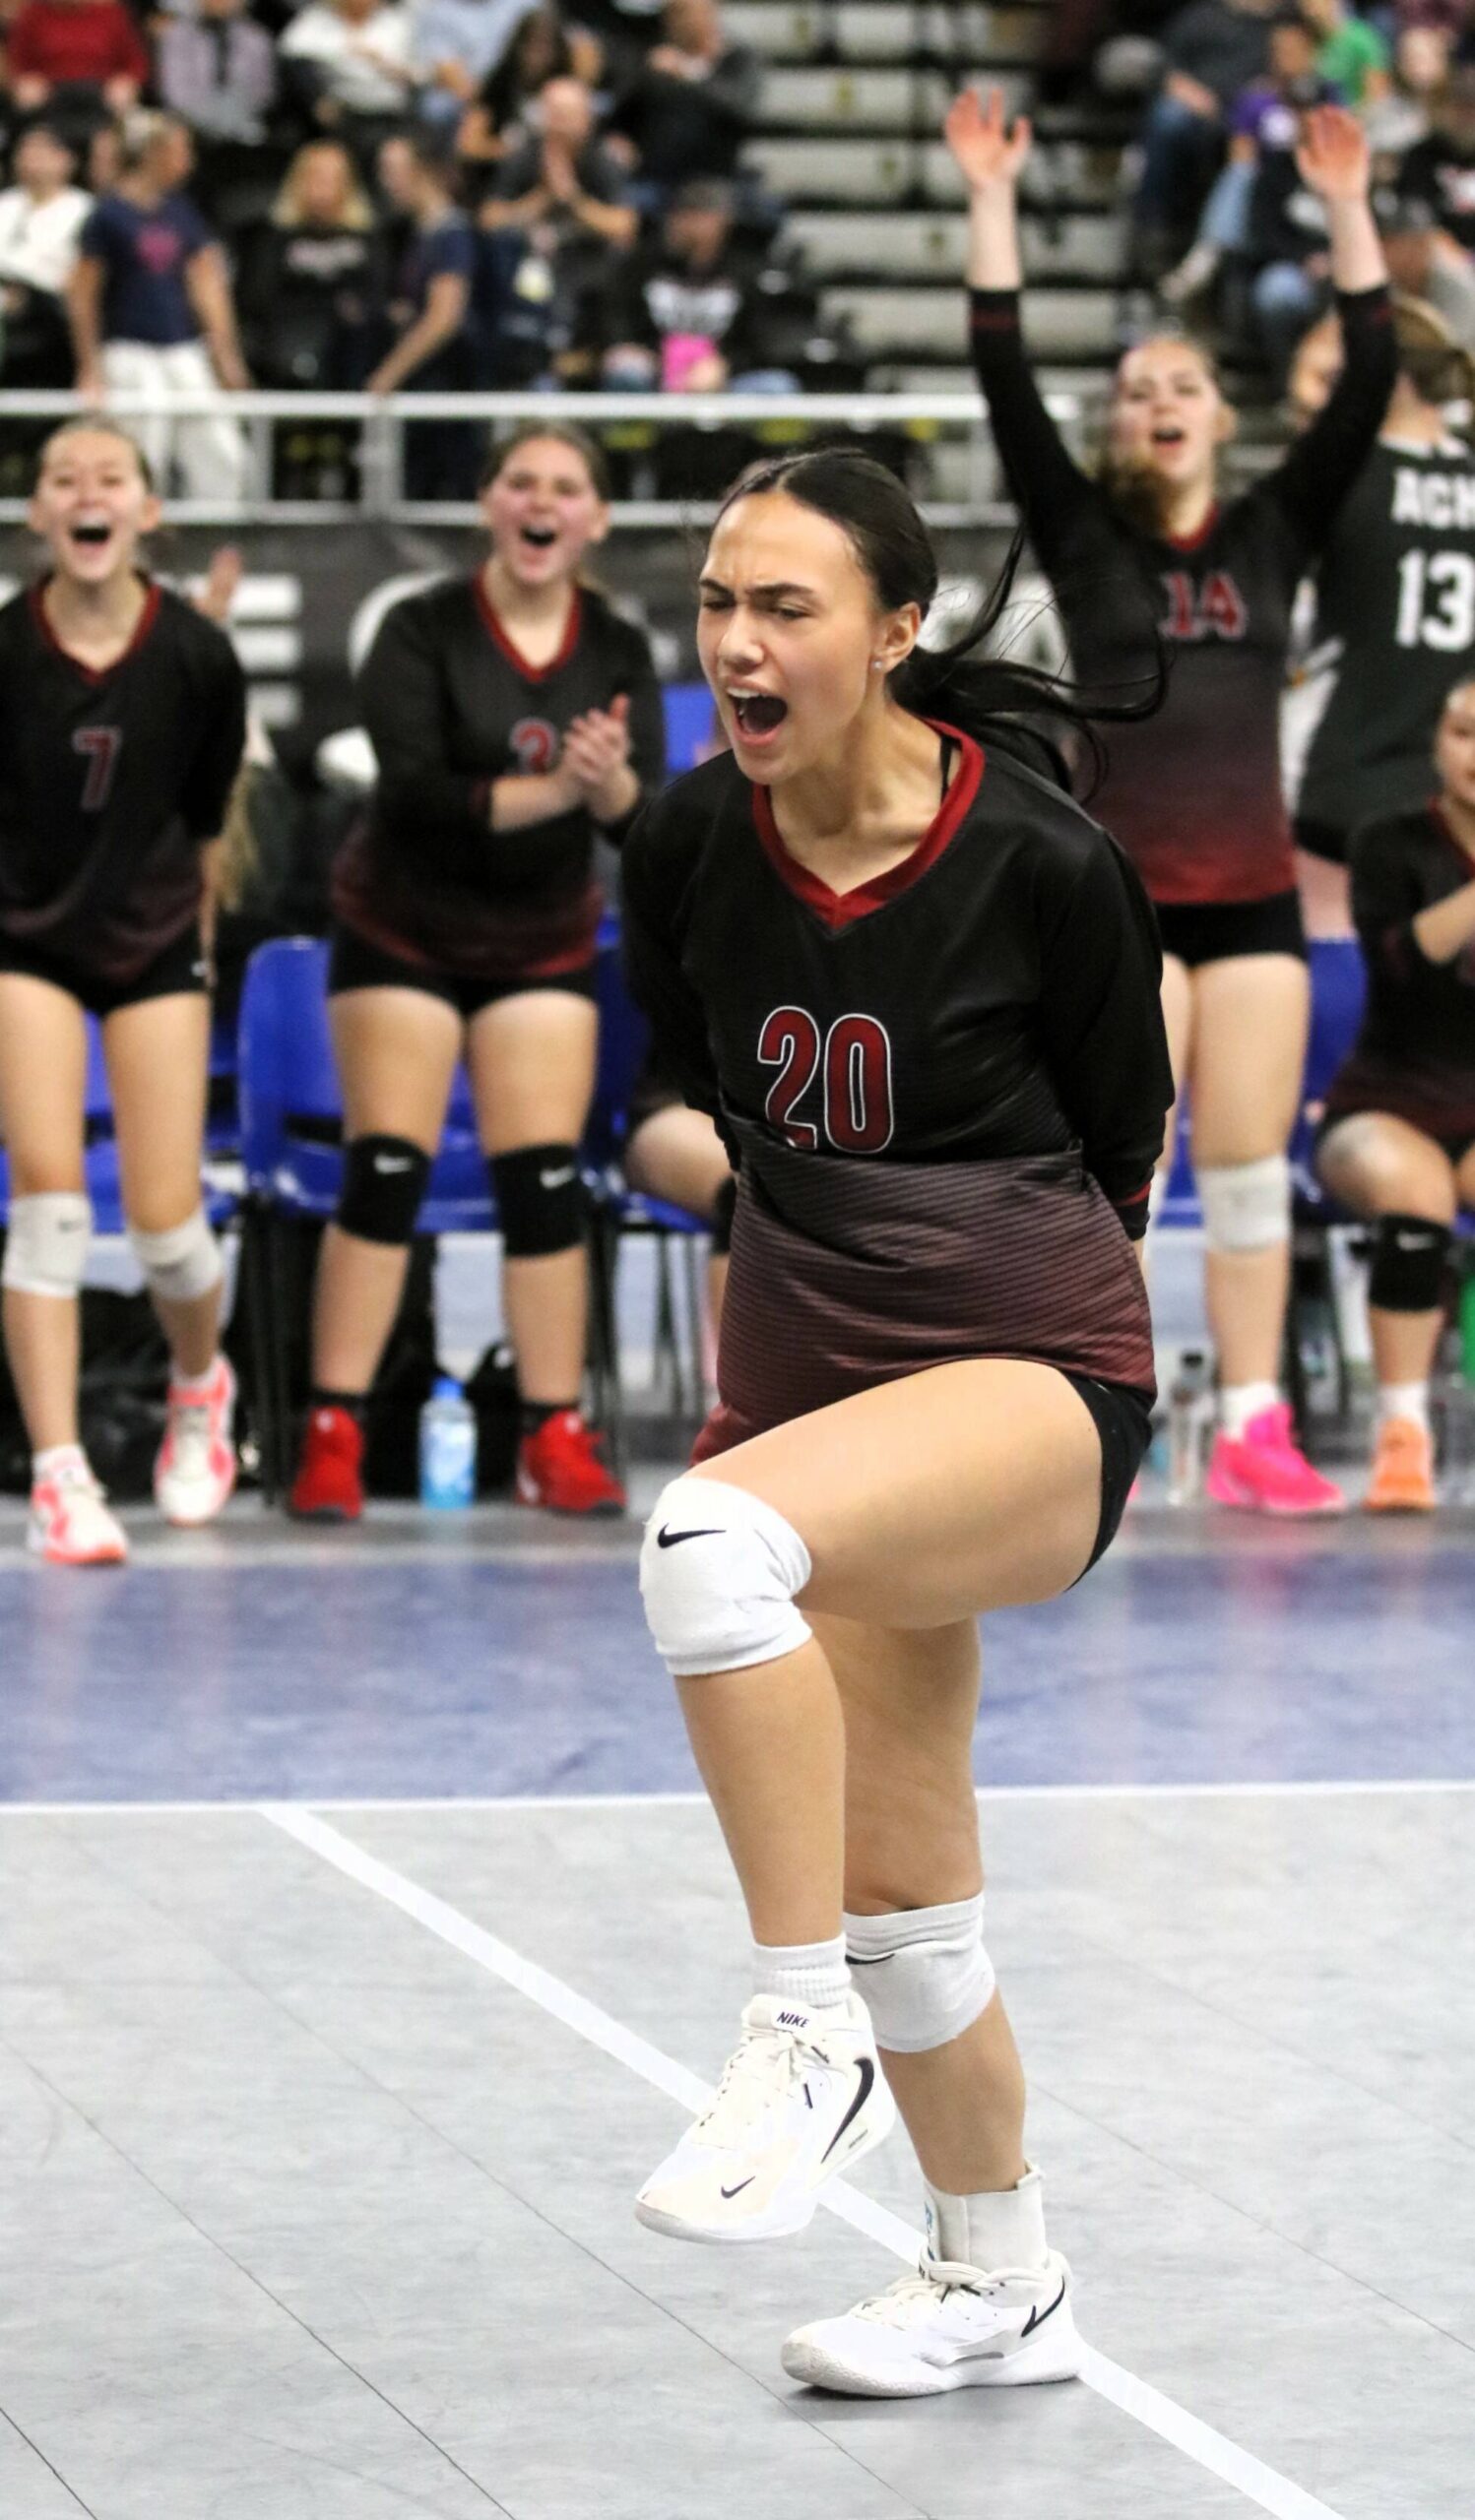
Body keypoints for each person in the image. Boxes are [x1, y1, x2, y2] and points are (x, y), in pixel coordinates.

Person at [619, 445, 1172, 2392]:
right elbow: (678, 1105)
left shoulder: (1040, 861)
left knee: (705, 1542)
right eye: (714, 602)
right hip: (808, 1372)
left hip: (1030, 1373)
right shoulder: (689, 841)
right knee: (911, 1903)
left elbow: (1125, 1147)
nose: (734, 642)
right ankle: (992, 2279)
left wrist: (948, 1293)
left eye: (781, 605)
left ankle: (794, 2034)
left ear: (894, 628)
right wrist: (780, 1215)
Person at [957, 85, 1395, 1514]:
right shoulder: (1081, 537)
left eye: (1182, 387)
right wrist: (990, 200)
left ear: (1221, 415)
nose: (1158, 403)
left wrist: (1343, 210)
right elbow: (1001, 372)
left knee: (1250, 1166)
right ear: (1119, 424)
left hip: (1254, 901)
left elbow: (1372, 374)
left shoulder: (1273, 530)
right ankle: (1109, 1417)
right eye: (1137, 388)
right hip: (1122, 902)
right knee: (1119, 1180)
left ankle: (1255, 1421)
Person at [288, 421, 666, 1522]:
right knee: (389, 1167)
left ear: (593, 519)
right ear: (490, 504)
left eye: (565, 487)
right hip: (403, 924)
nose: (540, 503)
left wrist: (611, 794)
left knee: (541, 1179)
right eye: (520, 482)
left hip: (541, 932)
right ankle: (332, 1427)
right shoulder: (420, 628)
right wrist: (568, 791)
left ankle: (553, 1431)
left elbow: (646, 814)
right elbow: (411, 795)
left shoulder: (616, 644)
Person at [0, 420, 246, 1565]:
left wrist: (187, 950)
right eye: (64, 480)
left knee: (164, 1223)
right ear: (39, 513)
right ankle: (61, 1472)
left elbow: (208, 828)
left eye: (112, 478)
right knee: (50, 1205)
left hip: (150, 941)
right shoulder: (8, 648)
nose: (86, 495)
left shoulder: (197, 655)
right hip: (28, 942)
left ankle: (201, 1380)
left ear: (148, 511)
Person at [1315, 673, 1475, 1508]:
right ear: (1437, 742)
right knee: (1417, 1191)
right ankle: (1402, 1431)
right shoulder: (1389, 840)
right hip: (1385, 1105)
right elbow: (1402, 967)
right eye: (1462, 732)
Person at [1288, 296, 1475, 934]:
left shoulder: (1342, 475)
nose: (1313, 400)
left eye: (1330, 379)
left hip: (1342, 781)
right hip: (1453, 794)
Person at [67, 111, 250, 502]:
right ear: (153, 153)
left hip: (182, 347)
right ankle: (138, 546)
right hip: (129, 349)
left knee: (221, 453)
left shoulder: (182, 212)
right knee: (143, 453)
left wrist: (225, 356)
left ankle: (216, 541)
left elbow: (207, 286)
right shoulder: (106, 216)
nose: (188, 161)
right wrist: (90, 366)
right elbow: (83, 295)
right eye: (180, 150)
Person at [369, 132, 479, 497]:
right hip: (428, 386)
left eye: (393, 171)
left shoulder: (453, 234)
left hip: (448, 389)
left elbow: (443, 318)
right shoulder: (419, 234)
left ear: (423, 172)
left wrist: (387, 374)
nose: (386, 182)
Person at [0, 121, 92, 394]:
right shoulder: (5, 205)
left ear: (67, 160)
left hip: (51, 322)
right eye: (25, 150)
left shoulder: (85, 210)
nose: (31, 158)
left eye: (41, 150)